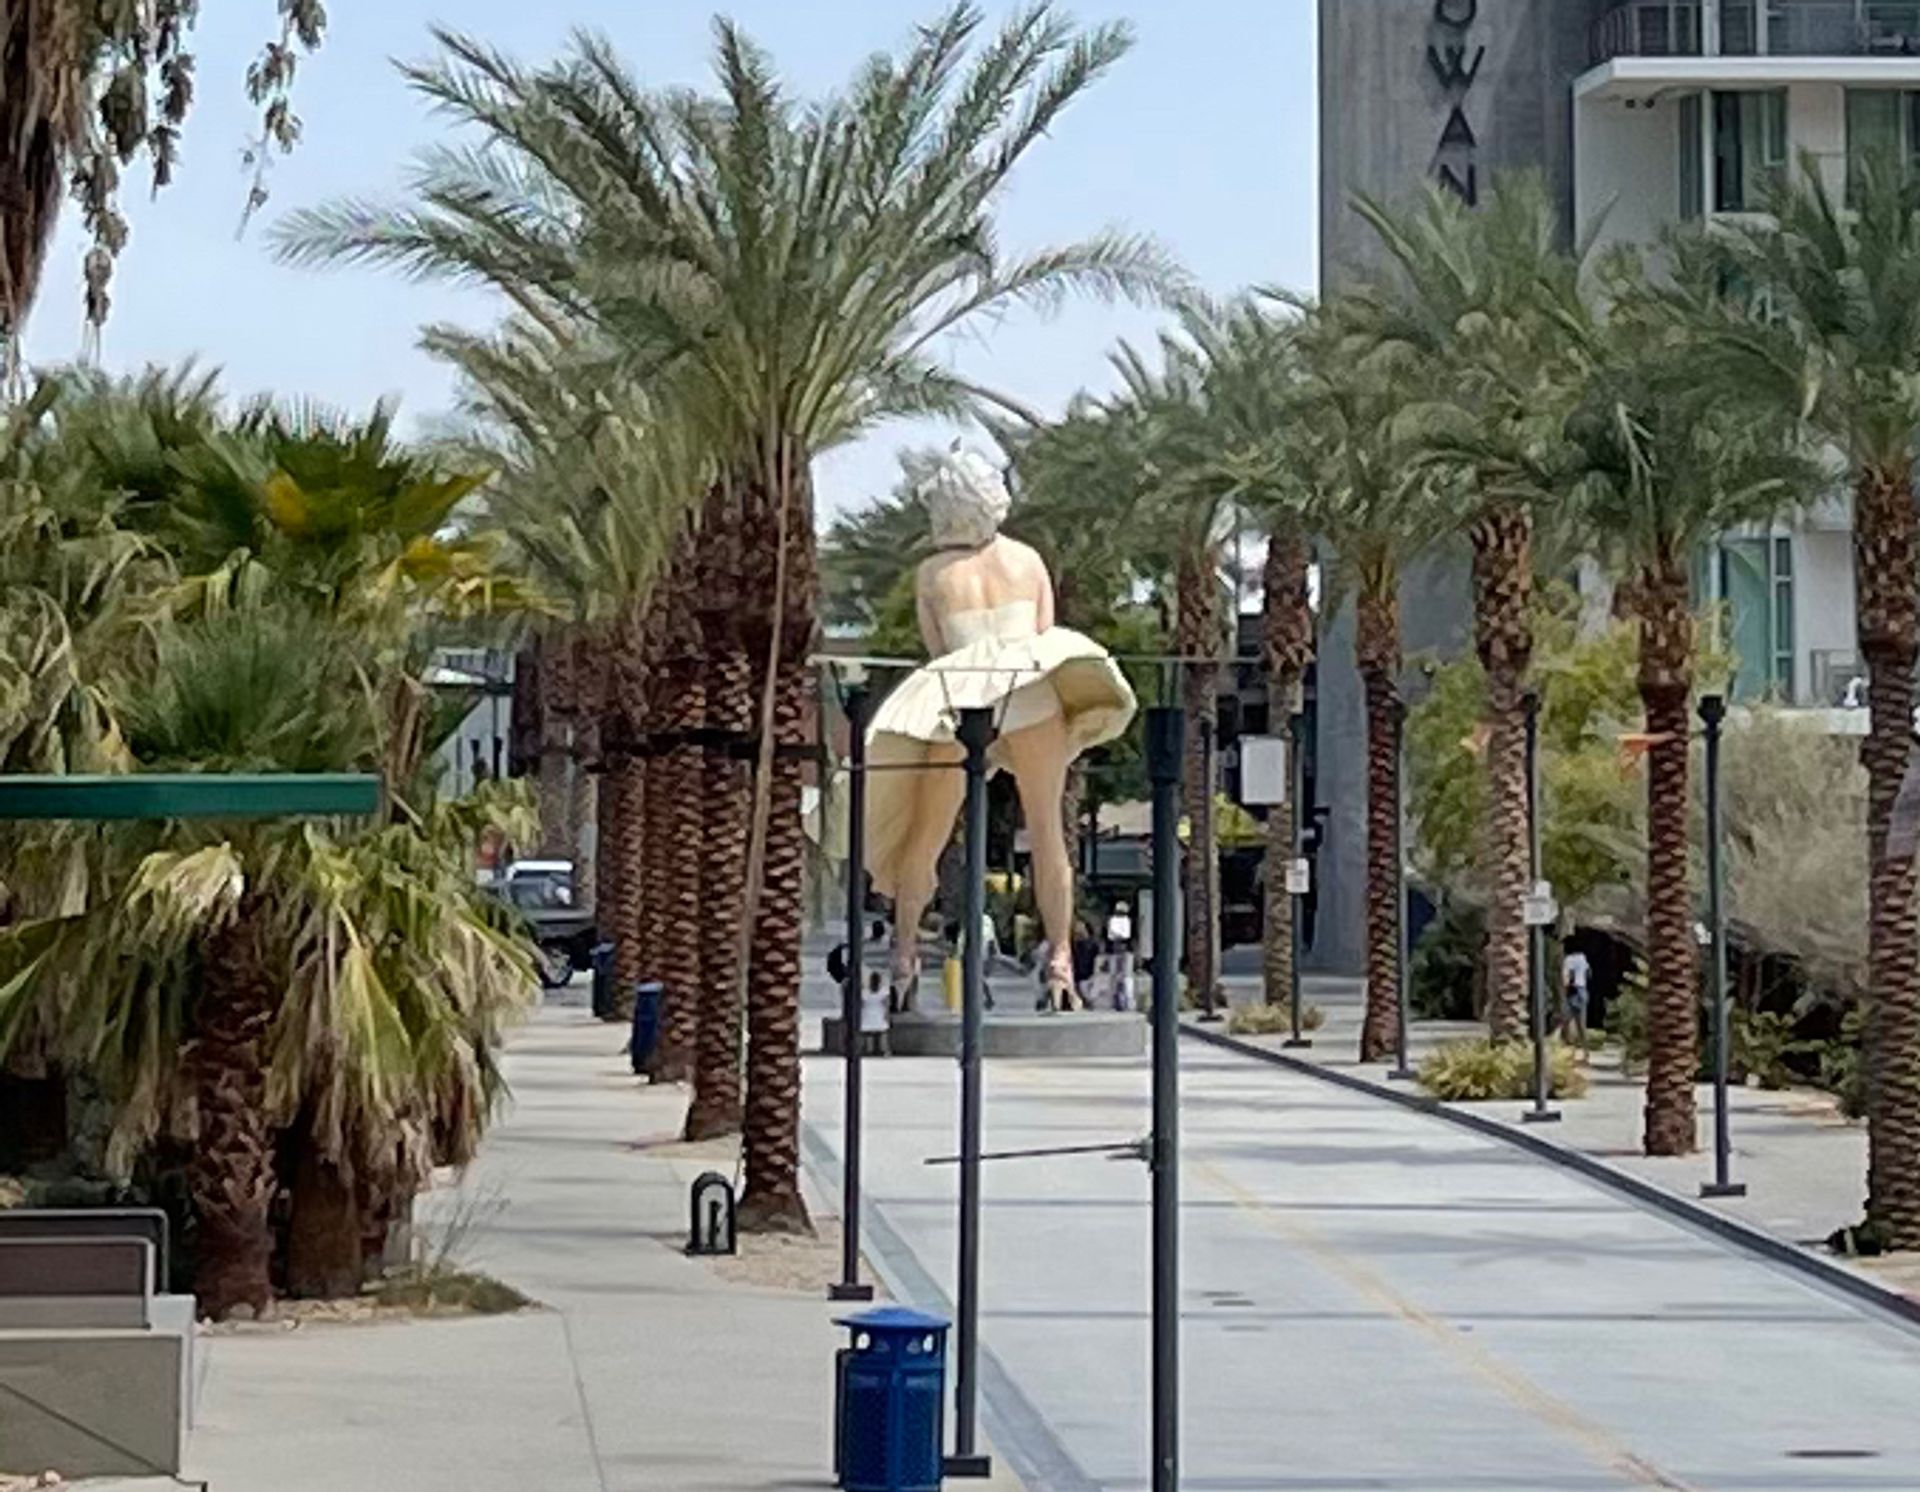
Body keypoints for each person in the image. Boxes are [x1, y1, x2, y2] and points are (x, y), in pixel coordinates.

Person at [862, 449, 1137, 1013]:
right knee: (1048, 834)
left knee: (926, 837)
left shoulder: (933, 574)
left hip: (961, 700)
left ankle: (904, 959)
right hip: (1031, 697)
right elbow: (1044, 641)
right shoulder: (1027, 561)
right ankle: (1061, 962)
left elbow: (938, 654)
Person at [1561, 945, 1593, 1058]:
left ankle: (1567, 1049)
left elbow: (1566, 978)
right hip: (1582, 991)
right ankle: (1586, 1051)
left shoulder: (1568, 959)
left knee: (1565, 1020)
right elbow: (1589, 973)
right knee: (1581, 1024)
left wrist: (1565, 991)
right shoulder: (1582, 957)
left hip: (1573, 992)